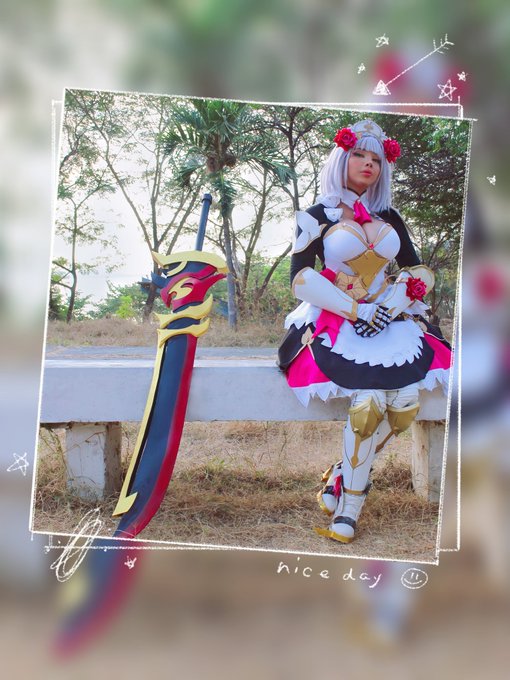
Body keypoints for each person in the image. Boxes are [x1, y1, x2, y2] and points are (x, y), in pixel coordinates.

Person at [278, 119, 452, 544]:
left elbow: (416, 270)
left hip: (390, 321)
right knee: (369, 402)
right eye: (358, 154)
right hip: (336, 318)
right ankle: (349, 511)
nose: (368, 164)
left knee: (405, 401)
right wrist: (357, 311)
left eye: (376, 158)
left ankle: (342, 474)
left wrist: (389, 309)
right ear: (341, 158)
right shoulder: (316, 216)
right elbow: (300, 276)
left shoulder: (389, 216)